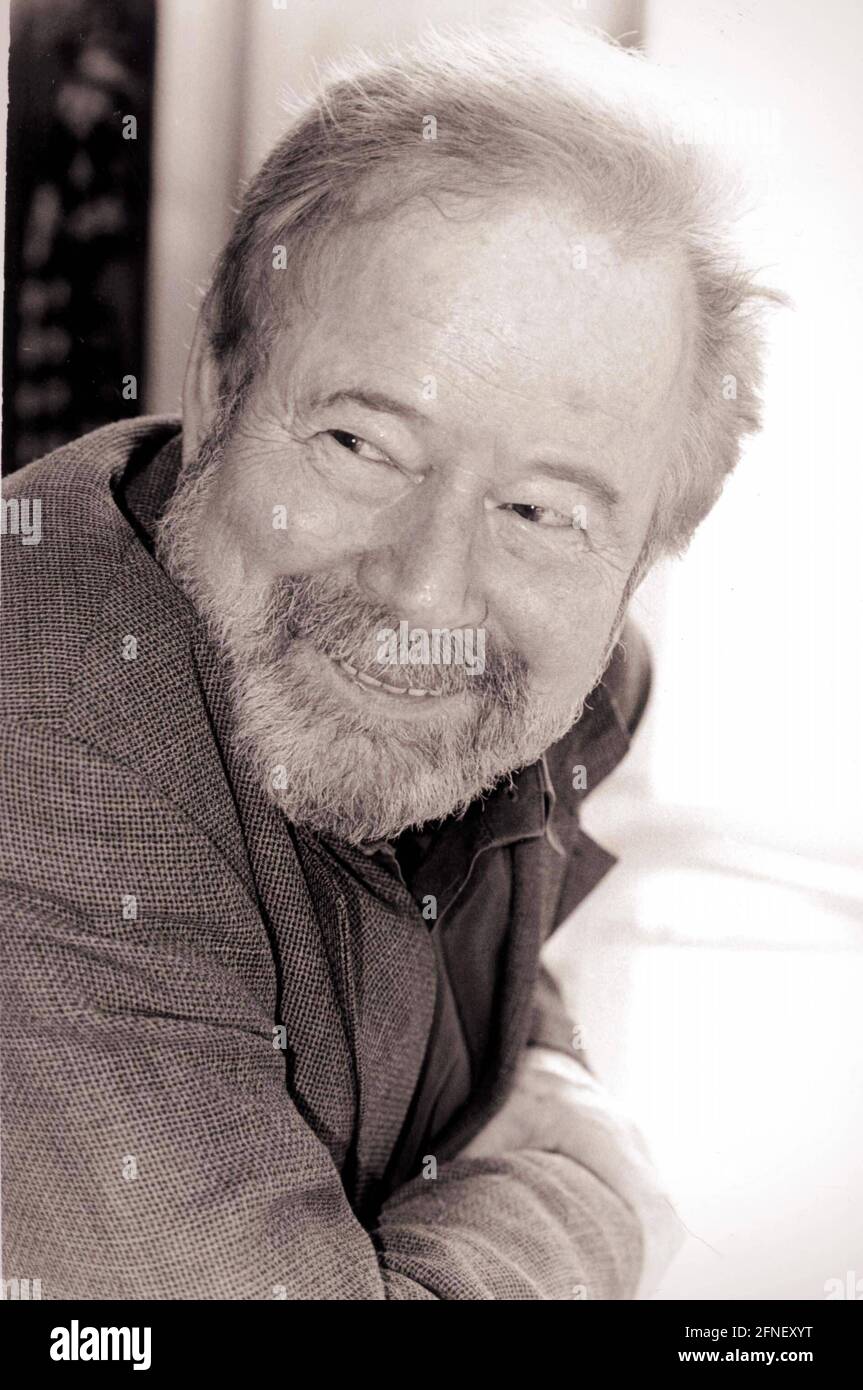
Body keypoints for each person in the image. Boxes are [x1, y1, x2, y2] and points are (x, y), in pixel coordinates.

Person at [0, 18, 777, 1299]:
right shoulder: (41, 735)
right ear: (221, 378)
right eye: (360, 444)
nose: (423, 590)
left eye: (539, 512)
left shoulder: (576, 694)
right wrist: (582, 1190)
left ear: (641, 556)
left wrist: (528, 1076)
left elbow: (482, 988)